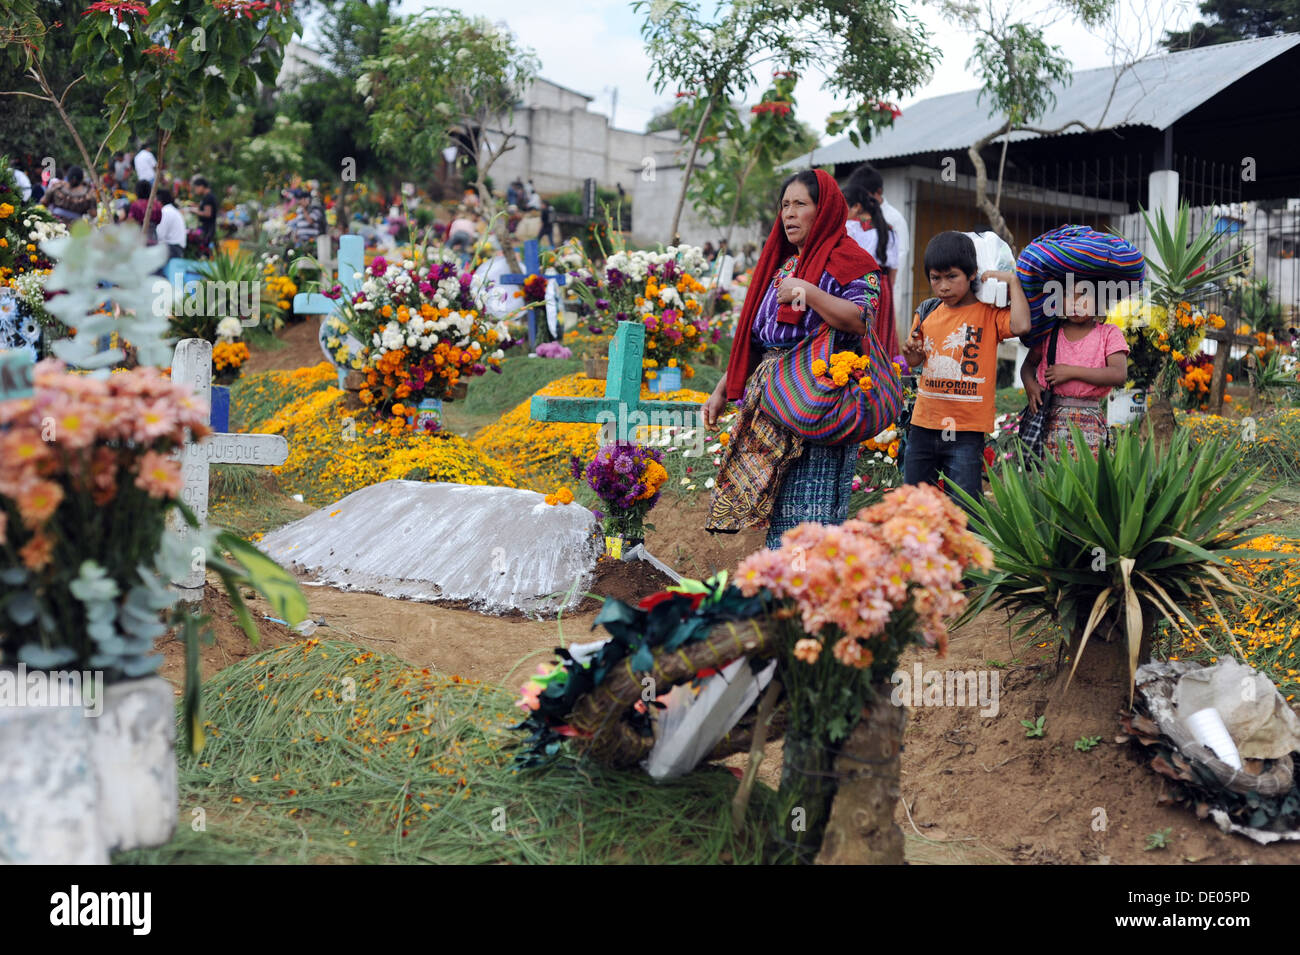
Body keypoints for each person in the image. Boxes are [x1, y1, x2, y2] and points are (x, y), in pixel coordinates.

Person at [704, 168, 885, 550]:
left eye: (800, 204)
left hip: (817, 399)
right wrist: (725, 387)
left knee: (810, 507)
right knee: (782, 504)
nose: (788, 213)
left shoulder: (852, 262)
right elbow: (757, 336)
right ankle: (782, 588)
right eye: (785, 205)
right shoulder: (785, 266)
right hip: (772, 399)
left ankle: (803, 592)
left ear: (825, 211)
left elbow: (860, 319)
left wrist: (808, 291)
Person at [900, 231, 1031, 509]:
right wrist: (912, 355)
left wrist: (1012, 281)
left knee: (965, 508)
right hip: (924, 424)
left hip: (966, 430)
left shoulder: (988, 313)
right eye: (936, 278)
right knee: (913, 504)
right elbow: (916, 359)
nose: (943, 286)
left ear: (972, 274)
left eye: (952, 277)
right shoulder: (926, 311)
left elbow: (1021, 326)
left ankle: (964, 553)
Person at [1020, 280, 1128, 457]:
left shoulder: (1109, 333)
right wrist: (1030, 385)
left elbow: (1118, 374)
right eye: (1068, 295)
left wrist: (1070, 372)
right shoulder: (1050, 333)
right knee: (1050, 477)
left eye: (1083, 295)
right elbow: (1028, 365)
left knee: (1085, 479)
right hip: (1050, 422)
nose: (1075, 302)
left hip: (1090, 423)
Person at [841, 176, 900, 359]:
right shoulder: (887, 229)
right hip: (883, 286)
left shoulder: (851, 228)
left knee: (863, 333)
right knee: (882, 334)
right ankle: (885, 374)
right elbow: (893, 269)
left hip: (859, 286)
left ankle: (861, 375)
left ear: (856, 207)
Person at [155, 187, 187, 259]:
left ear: (159, 201)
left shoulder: (165, 211)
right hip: (177, 248)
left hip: (172, 249)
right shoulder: (172, 210)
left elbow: (159, 235)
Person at [193, 175, 218, 252]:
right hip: (209, 228)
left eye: (196, 188)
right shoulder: (208, 197)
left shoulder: (208, 198)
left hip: (207, 229)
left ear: (201, 186)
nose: (195, 190)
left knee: (204, 250)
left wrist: (194, 211)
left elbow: (208, 214)